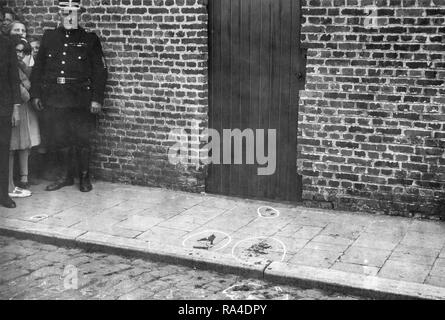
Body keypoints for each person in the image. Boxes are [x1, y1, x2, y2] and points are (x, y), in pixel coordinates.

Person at [30, 0, 107, 193]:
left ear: (80, 15)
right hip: (55, 98)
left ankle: (84, 177)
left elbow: (100, 71)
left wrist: (97, 98)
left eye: (73, 13)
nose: (69, 17)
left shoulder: (89, 39)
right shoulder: (50, 37)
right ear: (59, 15)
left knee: (82, 139)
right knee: (59, 138)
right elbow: (39, 68)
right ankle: (65, 177)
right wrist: (37, 94)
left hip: (81, 99)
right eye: (65, 13)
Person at [8, 36, 41, 197]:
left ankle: (16, 182)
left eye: (23, 52)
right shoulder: (11, 68)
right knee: (9, 148)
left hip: (19, 109)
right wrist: (23, 86)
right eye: (17, 51)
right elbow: (25, 94)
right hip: (11, 109)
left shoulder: (19, 66)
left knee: (17, 146)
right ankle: (8, 186)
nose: (20, 55)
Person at [0, 34, 21, 208]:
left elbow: (14, 77)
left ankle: (2, 195)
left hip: (3, 107)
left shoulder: (6, 43)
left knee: (2, 151)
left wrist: (15, 107)